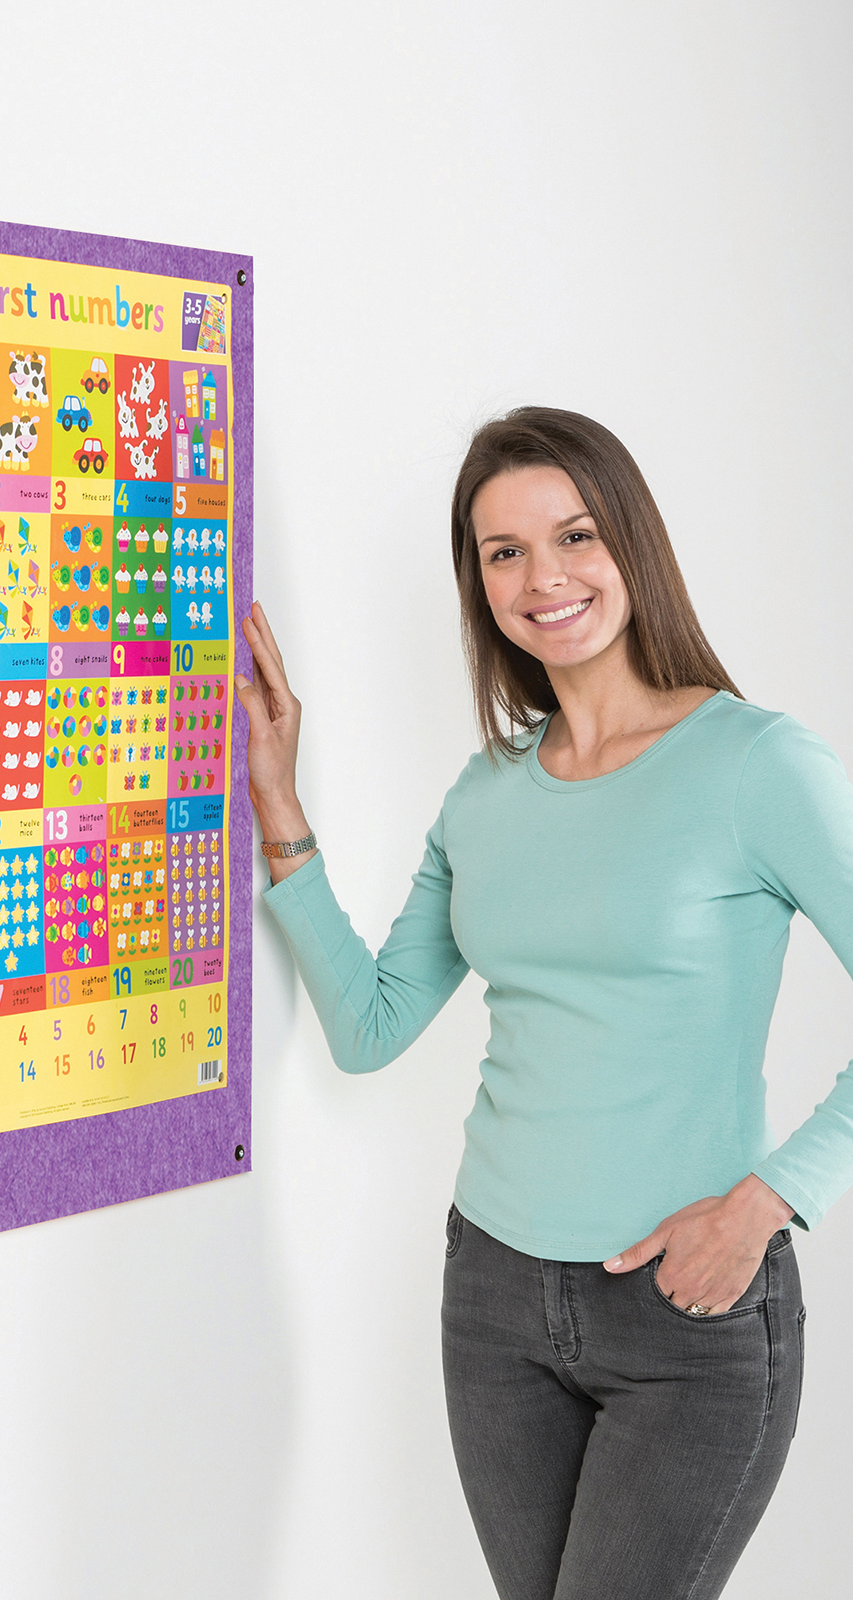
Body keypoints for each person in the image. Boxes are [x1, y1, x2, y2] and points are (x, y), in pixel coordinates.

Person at [236, 407, 853, 1600]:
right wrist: (279, 806)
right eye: (503, 552)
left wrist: (769, 1199)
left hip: (687, 1311)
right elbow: (370, 1028)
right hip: (496, 1303)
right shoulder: (486, 793)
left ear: (630, 542)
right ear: (478, 584)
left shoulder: (757, 763)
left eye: (574, 535)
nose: (543, 578)